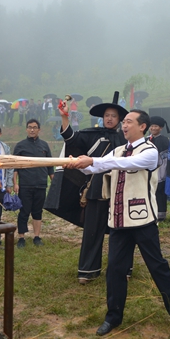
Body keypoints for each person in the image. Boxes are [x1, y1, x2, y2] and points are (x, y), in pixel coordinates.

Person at [66, 110, 170, 335]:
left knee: (157, 266)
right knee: (115, 270)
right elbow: (98, 166)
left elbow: (126, 163)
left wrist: (94, 160)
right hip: (119, 222)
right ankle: (113, 317)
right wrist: (78, 163)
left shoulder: (149, 151)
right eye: (123, 123)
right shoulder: (118, 150)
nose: (124, 126)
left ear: (142, 127)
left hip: (143, 220)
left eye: (129, 122)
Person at [56, 92, 127, 284]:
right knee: (92, 229)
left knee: (121, 231)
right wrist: (65, 116)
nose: (109, 119)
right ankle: (88, 270)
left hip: (120, 190)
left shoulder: (126, 140)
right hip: (96, 189)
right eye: (106, 116)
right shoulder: (91, 135)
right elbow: (71, 139)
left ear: (120, 119)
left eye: (113, 116)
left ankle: (122, 268)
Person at [13, 119, 53, 248]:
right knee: (24, 212)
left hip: (41, 184)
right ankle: (21, 238)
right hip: (25, 185)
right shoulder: (20, 146)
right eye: (30, 127)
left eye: (34, 127)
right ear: (26, 129)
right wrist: (15, 183)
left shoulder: (44, 145)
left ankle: (37, 236)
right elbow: (15, 167)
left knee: (37, 212)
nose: (32, 130)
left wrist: (54, 183)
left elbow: (50, 166)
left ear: (39, 130)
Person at [147, 116, 170, 221]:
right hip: (148, 170)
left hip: (161, 169)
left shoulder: (164, 140)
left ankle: (161, 214)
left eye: (156, 126)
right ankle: (150, 212)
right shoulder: (146, 139)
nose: (153, 128)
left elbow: (165, 158)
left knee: (160, 192)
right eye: (151, 126)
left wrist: (163, 171)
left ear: (160, 128)